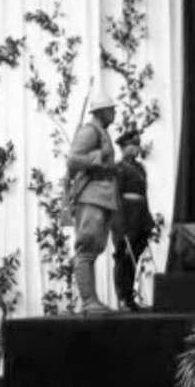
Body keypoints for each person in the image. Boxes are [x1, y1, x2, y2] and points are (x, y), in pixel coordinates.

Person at [65, 93, 119, 315]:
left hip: (101, 196)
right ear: (101, 111)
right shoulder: (90, 131)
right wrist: (98, 156)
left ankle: (92, 300)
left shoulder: (100, 131)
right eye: (111, 110)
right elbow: (73, 160)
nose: (114, 113)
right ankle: (89, 300)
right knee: (86, 249)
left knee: (92, 249)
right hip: (91, 196)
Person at [112, 129, 156, 312]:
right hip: (126, 218)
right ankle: (123, 297)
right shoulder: (118, 168)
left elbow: (143, 196)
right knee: (123, 258)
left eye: (138, 145)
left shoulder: (140, 168)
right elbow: (115, 197)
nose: (137, 149)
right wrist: (119, 224)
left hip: (139, 218)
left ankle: (130, 298)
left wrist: (148, 219)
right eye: (133, 145)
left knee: (134, 259)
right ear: (124, 147)